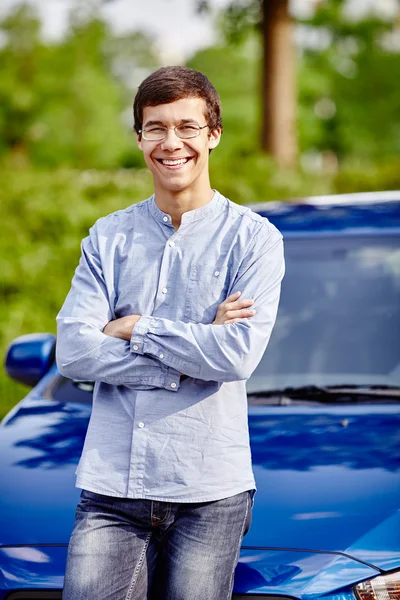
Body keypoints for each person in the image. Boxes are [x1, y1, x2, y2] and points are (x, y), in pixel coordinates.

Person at [56, 65, 284, 600]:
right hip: (112, 487)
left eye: (187, 126)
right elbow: (72, 350)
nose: (171, 143)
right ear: (139, 139)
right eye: (156, 128)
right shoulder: (107, 238)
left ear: (213, 135)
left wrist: (134, 327)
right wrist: (194, 346)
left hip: (209, 490)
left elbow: (236, 357)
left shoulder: (253, 241)